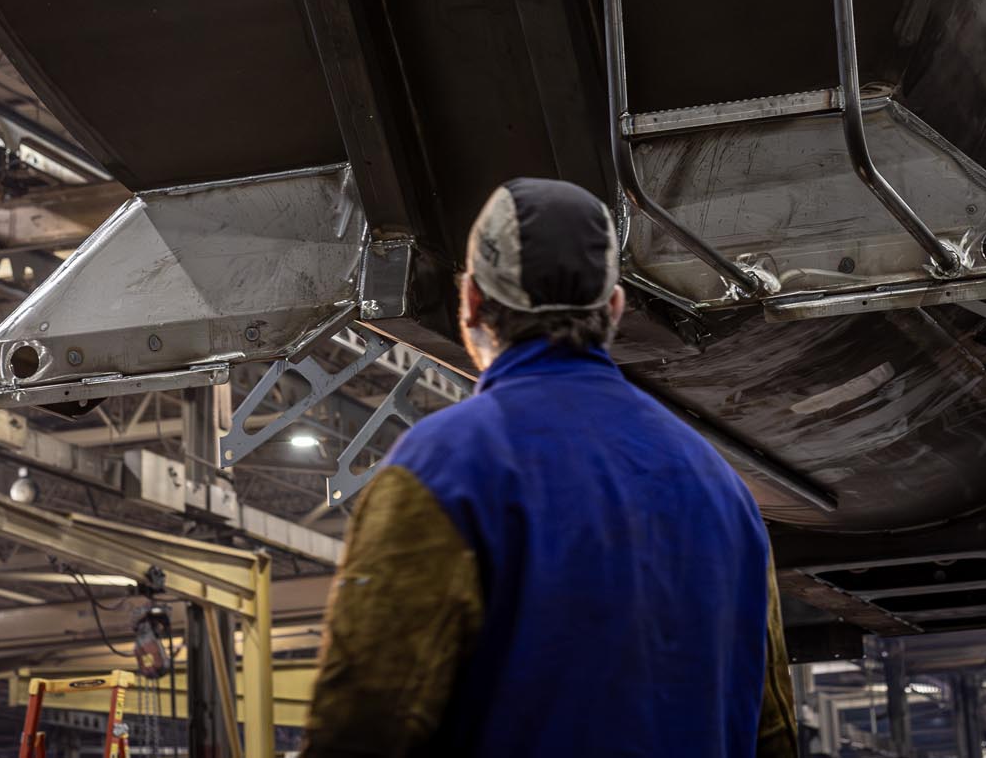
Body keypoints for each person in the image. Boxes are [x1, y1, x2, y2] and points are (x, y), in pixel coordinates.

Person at [300, 176, 798, 758]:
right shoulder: (723, 492)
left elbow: (364, 723)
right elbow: (775, 731)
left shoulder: (444, 468)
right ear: (613, 308)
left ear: (471, 303)